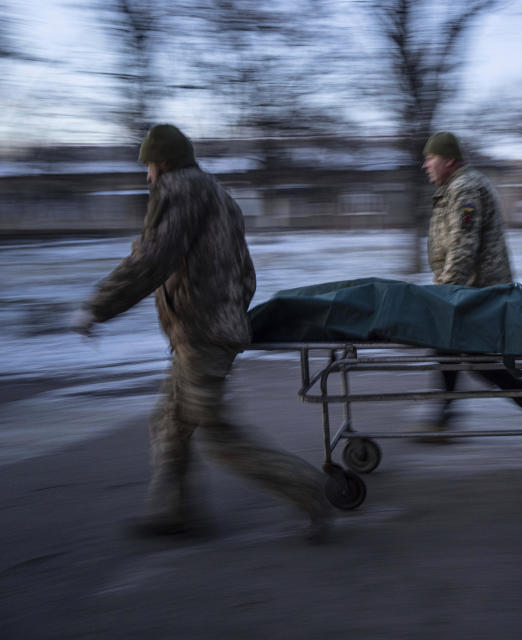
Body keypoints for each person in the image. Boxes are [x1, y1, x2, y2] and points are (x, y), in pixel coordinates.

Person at [70, 124, 332, 542]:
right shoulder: (220, 195)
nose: (147, 175)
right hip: (206, 330)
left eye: (150, 165)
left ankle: (311, 492)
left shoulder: (178, 191)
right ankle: (172, 512)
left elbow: (150, 260)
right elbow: (245, 272)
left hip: (202, 334)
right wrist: (229, 312)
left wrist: (98, 306)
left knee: (217, 434)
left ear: (166, 163)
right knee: (169, 424)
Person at [421, 131, 522, 444]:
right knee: (455, 352)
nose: (426, 165)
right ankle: (447, 416)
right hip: (470, 291)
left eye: (431, 158)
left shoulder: (466, 188)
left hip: (480, 293)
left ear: (449, 160)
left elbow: (463, 244)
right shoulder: (453, 189)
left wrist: (447, 292)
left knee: (470, 357)